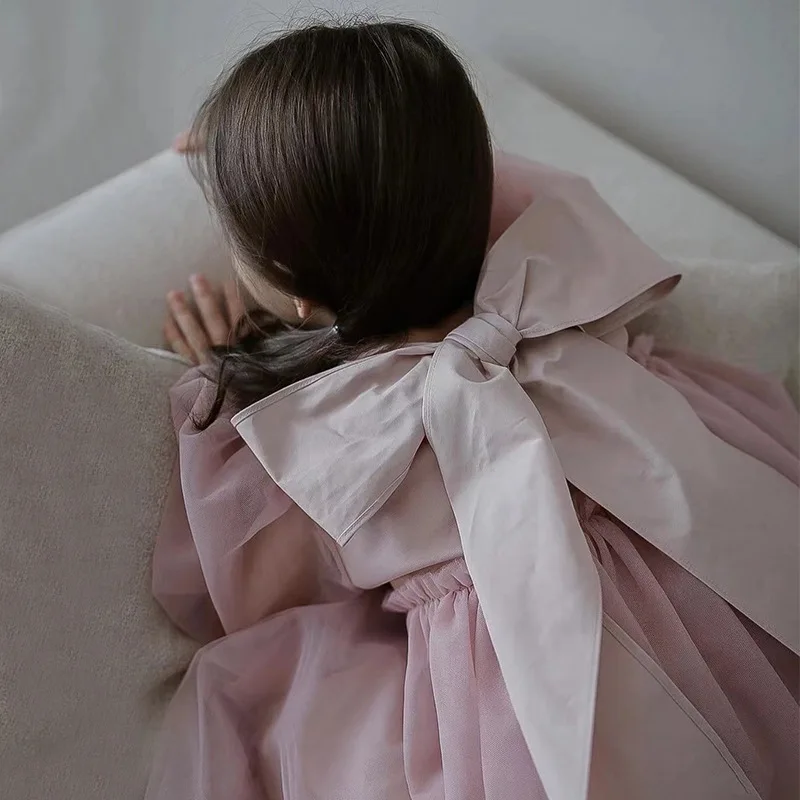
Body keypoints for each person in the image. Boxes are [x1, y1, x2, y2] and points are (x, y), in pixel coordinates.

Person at [150, 20, 799, 800]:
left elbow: (248, 593)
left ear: (290, 287)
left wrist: (229, 369)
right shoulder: (549, 276)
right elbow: (456, 177)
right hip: (700, 577)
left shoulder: (334, 438)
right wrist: (291, 154)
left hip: (520, 718)